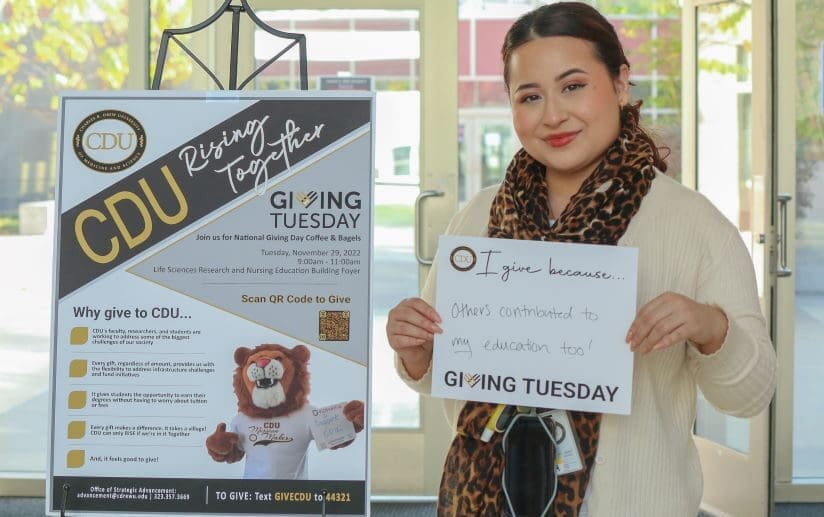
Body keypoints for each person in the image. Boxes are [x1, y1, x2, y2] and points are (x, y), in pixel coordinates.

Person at [386, 2, 777, 516]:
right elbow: (441, 372)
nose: (552, 115)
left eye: (573, 86)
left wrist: (711, 328)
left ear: (619, 84)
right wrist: (412, 349)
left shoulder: (694, 226)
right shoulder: (478, 217)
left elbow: (751, 395)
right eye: (530, 96)